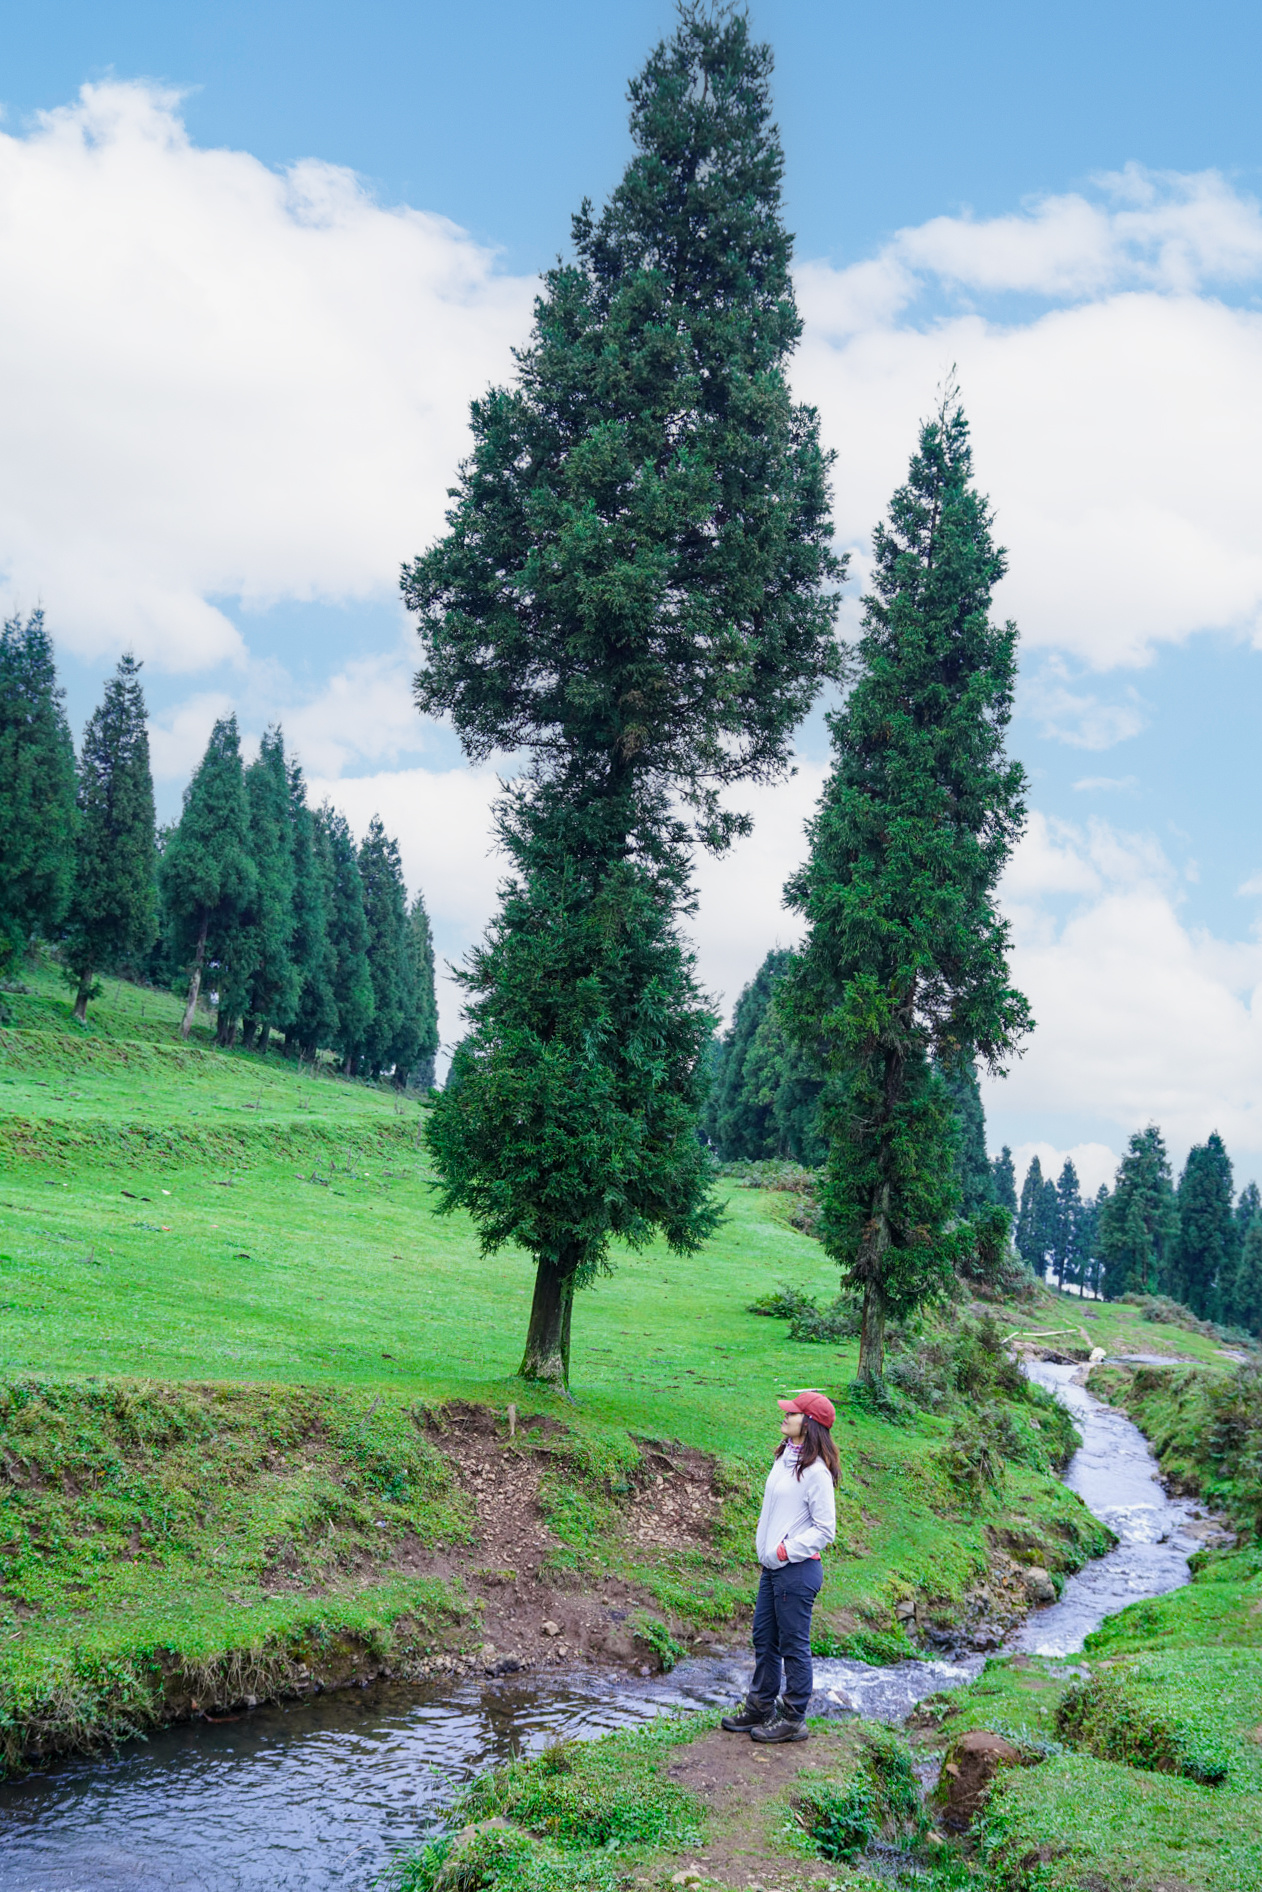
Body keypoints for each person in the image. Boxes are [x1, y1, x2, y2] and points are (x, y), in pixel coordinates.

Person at [721, 1388, 839, 1744]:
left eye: (793, 1412)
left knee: (793, 1645)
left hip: (796, 1571)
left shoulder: (816, 1472)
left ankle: (793, 1718)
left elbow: (825, 1530)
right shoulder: (785, 1458)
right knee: (764, 1638)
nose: (785, 1416)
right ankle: (760, 1707)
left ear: (810, 1423)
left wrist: (786, 1550)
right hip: (773, 1569)